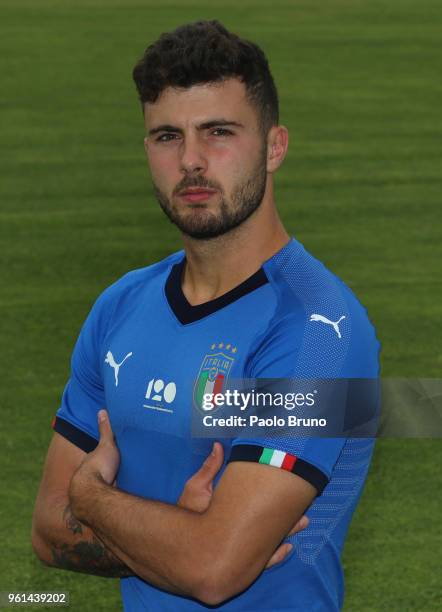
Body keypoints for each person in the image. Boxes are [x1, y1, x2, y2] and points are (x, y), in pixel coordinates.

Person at [32, 20, 380, 611]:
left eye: (219, 132)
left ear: (274, 146)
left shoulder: (320, 332)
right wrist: (179, 535)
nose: (191, 161)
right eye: (167, 136)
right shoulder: (120, 305)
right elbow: (47, 531)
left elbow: (215, 570)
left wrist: (91, 497)